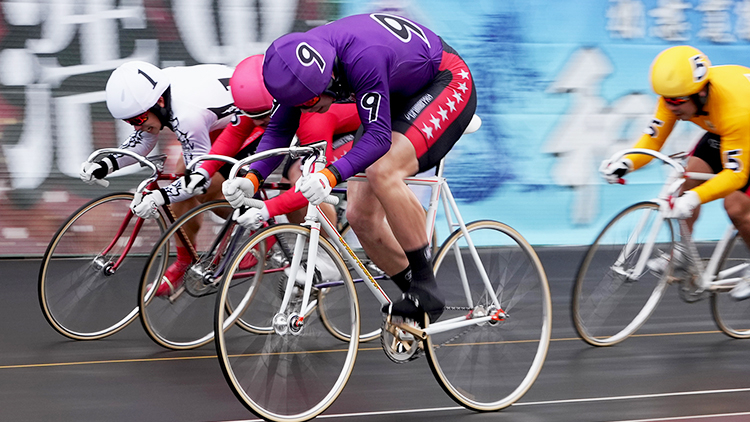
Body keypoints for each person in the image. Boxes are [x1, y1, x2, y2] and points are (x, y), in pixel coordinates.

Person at [222, 13, 477, 325]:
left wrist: (329, 176)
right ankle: (415, 301)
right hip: (397, 88)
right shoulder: (297, 69)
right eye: (300, 103)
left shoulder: (361, 57)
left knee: (383, 171)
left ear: (328, 77)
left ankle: (428, 288)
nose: (308, 108)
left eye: (312, 100)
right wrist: (251, 178)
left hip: (445, 80)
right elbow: (278, 131)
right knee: (360, 216)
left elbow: (380, 138)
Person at [80, 60, 267, 297]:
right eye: (130, 122)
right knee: (181, 175)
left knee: (204, 184)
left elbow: (200, 179)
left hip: (252, 123)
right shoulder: (156, 95)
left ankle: (260, 226)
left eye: (138, 120)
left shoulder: (186, 115)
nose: (136, 126)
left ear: (158, 103)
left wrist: (159, 197)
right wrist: (105, 165)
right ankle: (184, 261)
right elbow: (144, 139)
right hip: (217, 120)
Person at [600, 45, 750, 299]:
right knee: (687, 177)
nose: (671, 107)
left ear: (701, 92)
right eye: (667, 100)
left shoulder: (736, 112)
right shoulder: (675, 95)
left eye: (678, 101)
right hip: (722, 128)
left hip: (742, 124)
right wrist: (625, 163)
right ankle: (682, 253)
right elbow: (652, 141)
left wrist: (693, 200)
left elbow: (736, 176)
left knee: (735, 206)